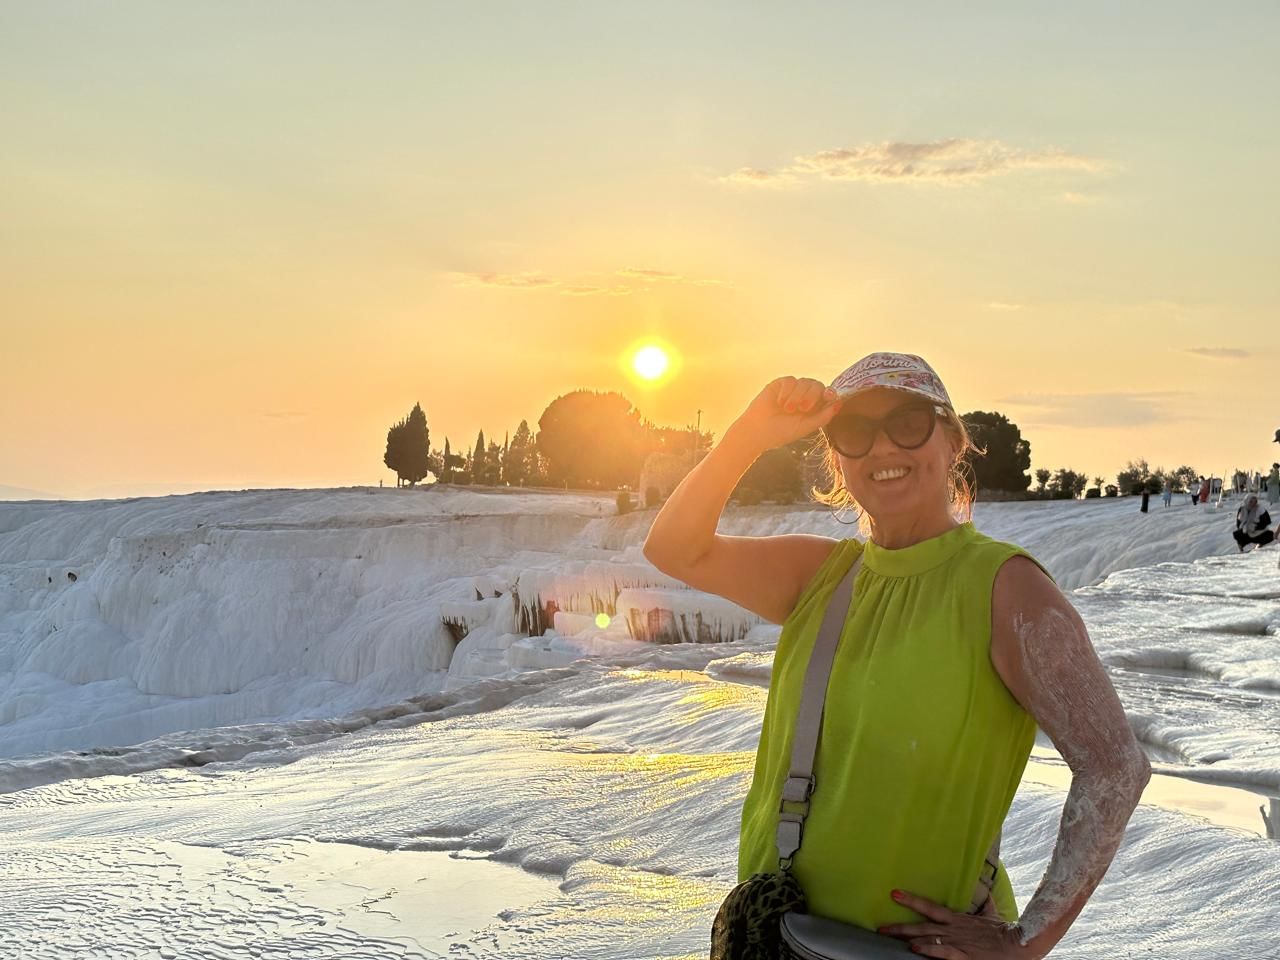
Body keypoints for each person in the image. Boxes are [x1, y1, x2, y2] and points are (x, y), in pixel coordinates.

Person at [644, 352, 1150, 958]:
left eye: (908, 423)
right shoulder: (820, 576)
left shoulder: (1005, 589)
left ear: (953, 438)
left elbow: (1115, 766)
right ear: (836, 458)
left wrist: (1025, 940)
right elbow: (674, 548)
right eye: (854, 433)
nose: (883, 449)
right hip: (782, 942)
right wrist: (750, 433)